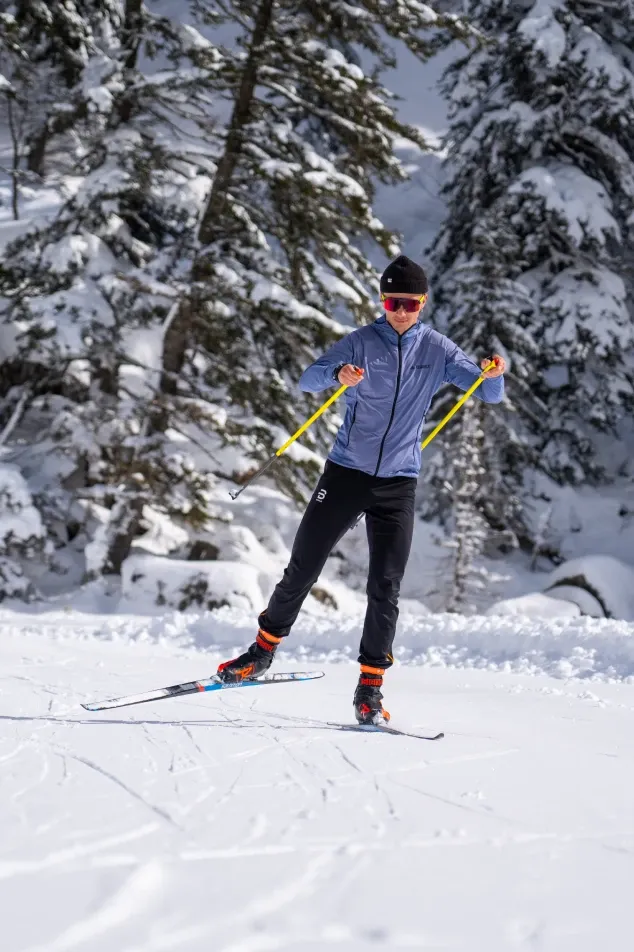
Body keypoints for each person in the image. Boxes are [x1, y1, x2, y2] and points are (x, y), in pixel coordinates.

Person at [218, 255, 505, 724]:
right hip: (347, 473)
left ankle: (369, 688)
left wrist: (494, 374)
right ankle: (261, 652)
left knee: (385, 587)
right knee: (304, 565)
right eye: (393, 302)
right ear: (381, 301)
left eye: (410, 303)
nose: (401, 311)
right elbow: (308, 379)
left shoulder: (436, 349)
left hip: (398, 482)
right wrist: (338, 376)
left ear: (423, 303)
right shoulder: (361, 342)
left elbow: (487, 393)